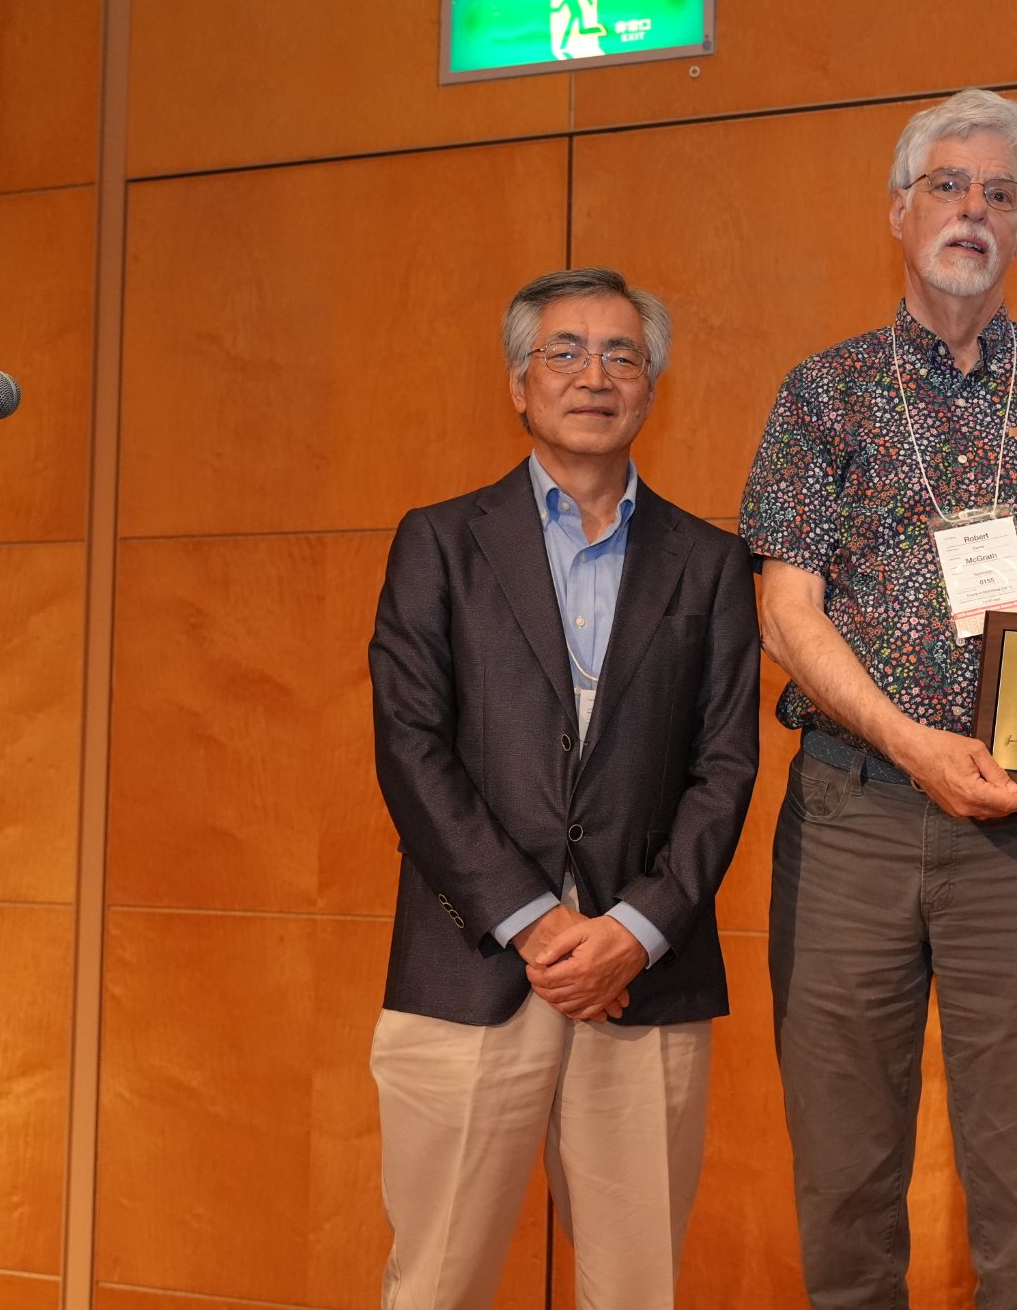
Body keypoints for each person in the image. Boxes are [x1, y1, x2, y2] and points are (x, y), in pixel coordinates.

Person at [741, 88, 1017, 1309]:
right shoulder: (822, 391)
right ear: (898, 210)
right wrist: (913, 743)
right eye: (946, 184)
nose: (971, 209)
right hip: (853, 820)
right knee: (843, 1179)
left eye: (999, 193)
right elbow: (786, 610)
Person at [367, 267, 760, 1309]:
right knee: (435, 1284)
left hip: (646, 977)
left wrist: (634, 929)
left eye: (622, 355)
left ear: (651, 387)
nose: (596, 376)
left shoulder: (711, 561)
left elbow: (725, 768)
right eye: (567, 352)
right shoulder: (439, 542)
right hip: (471, 965)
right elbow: (410, 747)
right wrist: (536, 923)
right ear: (519, 383)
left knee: (637, 1290)